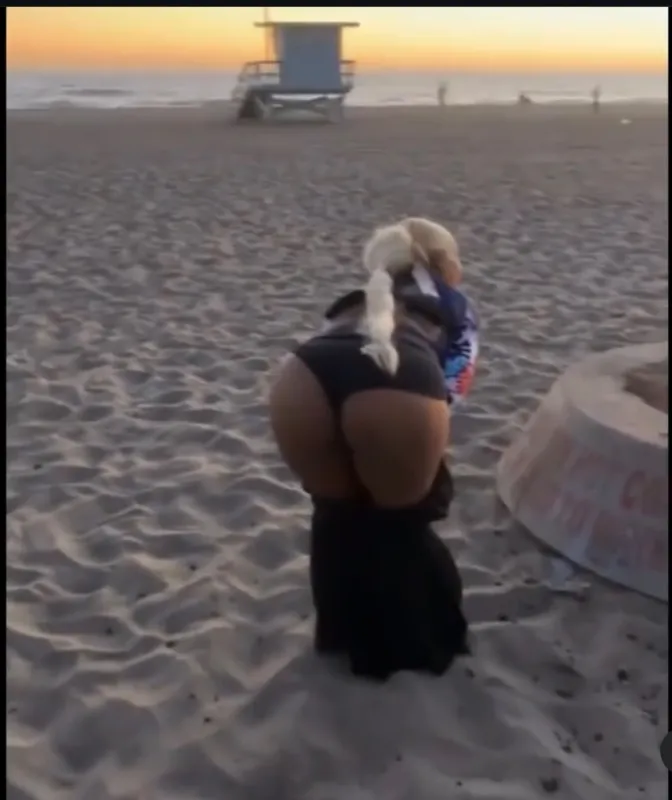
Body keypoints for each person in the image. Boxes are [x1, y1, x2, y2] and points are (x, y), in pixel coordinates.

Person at [268, 218, 479, 681]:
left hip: (301, 378)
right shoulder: (452, 304)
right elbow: (454, 385)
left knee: (336, 516)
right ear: (445, 263)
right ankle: (404, 652)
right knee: (398, 526)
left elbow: (334, 343)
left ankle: (341, 636)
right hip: (401, 383)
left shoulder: (359, 298)